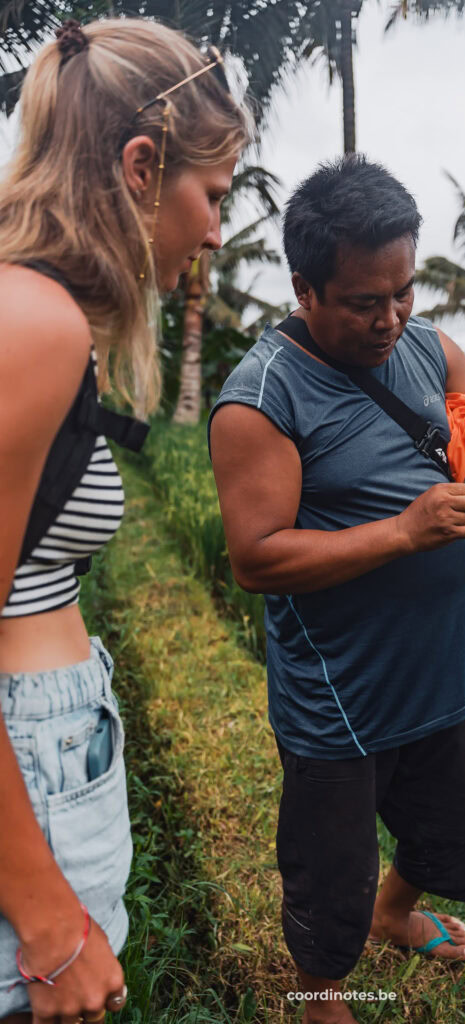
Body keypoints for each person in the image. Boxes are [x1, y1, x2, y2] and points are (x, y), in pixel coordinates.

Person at [209, 155, 465, 1024]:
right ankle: (323, 994)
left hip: (436, 672)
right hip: (339, 695)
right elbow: (257, 558)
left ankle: (396, 912)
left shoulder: (430, 347)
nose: (391, 318)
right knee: (328, 864)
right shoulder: (260, 398)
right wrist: (406, 531)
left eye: (404, 290)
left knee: (461, 822)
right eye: (363, 301)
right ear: (305, 289)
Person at [0, 17, 251, 1023]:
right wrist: (46, 913)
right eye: (214, 195)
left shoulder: (38, 313)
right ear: (142, 166)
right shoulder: (38, 323)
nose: (219, 233)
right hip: (29, 765)